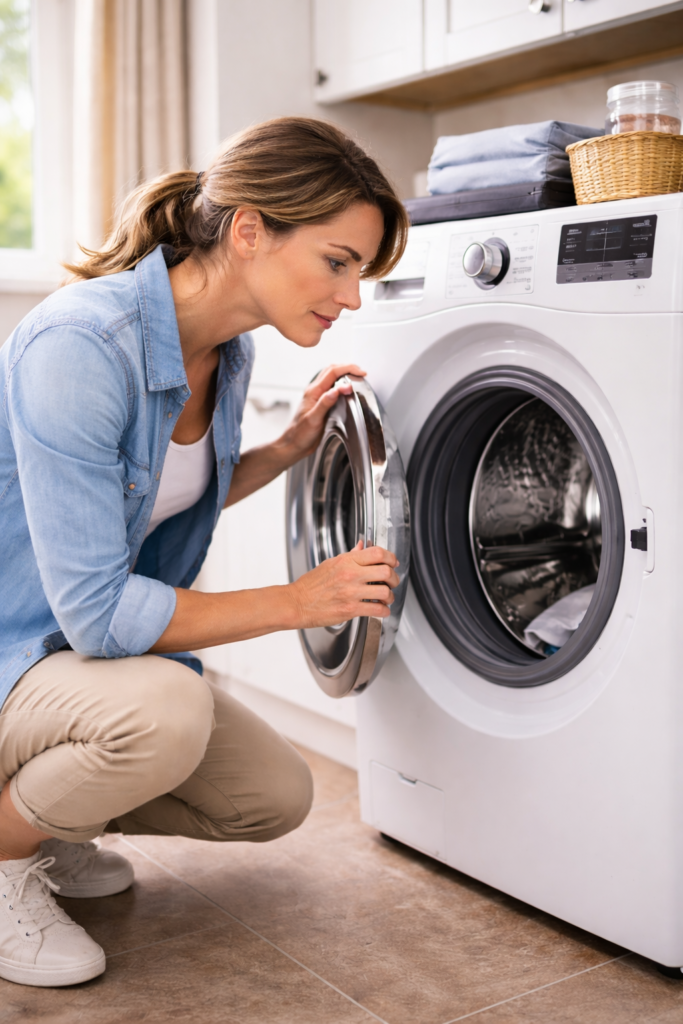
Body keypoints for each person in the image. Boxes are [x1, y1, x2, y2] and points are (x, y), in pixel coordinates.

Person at [0, 117, 408, 988]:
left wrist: (284, 449)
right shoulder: (81, 345)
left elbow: (150, 498)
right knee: (162, 714)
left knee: (271, 797)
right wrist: (299, 600)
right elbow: (103, 615)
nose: (351, 296)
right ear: (251, 228)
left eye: (361, 272)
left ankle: (55, 825)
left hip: (70, 661)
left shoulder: (228, 349)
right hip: (19, 650)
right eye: (338, 261)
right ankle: (5, 853)